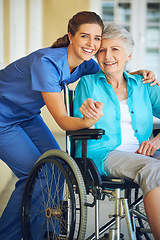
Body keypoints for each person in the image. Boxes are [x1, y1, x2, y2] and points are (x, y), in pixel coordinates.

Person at [0, 10, 156, 239]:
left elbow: (113, 71)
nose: (92, 44)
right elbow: (62, 121)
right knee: (37, 173)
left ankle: (42, 231)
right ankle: (10, 235)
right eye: (85, 36)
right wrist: (87, 121)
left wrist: (137, 73)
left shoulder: (85, 64)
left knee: (56, 166)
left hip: (26, 115)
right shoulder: (47, 64)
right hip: (3, 118)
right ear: (71, 36)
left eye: (96, 38)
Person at [73, 23, 160, 240]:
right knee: (152, 169)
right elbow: (80, 124)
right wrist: (87, 118)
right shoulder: (88, 83)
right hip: (103, 153)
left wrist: (157, 141)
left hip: (143, 153)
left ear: (129, 54)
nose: (107, 55)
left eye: (115, 49)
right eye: (102, 49)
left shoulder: (144, 84)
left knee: (152, 165)